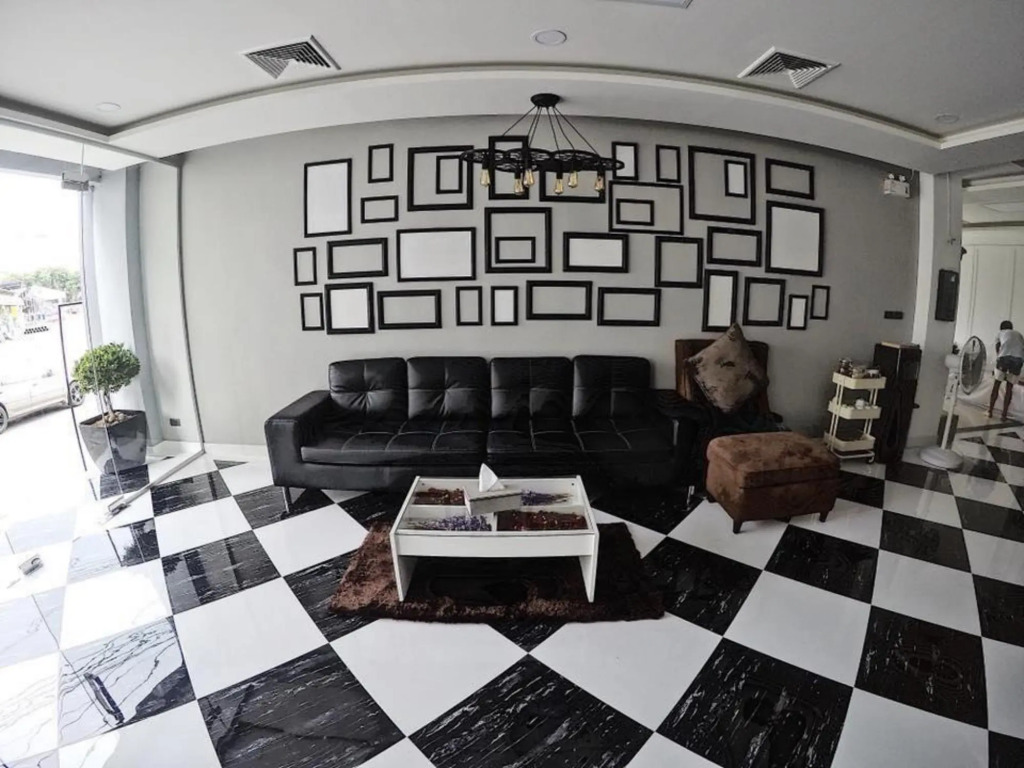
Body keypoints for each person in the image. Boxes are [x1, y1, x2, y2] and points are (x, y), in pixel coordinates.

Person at [989, 320, 1024, 419]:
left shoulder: (1000, 333)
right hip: (1018, 360)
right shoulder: (1019, 334)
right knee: (1009, 388)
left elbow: (998, 347)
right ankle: (1004, 414)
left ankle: (990, 411)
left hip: (1004, 358)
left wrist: (999, 360)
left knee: (997, 385)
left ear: (1001, 328)